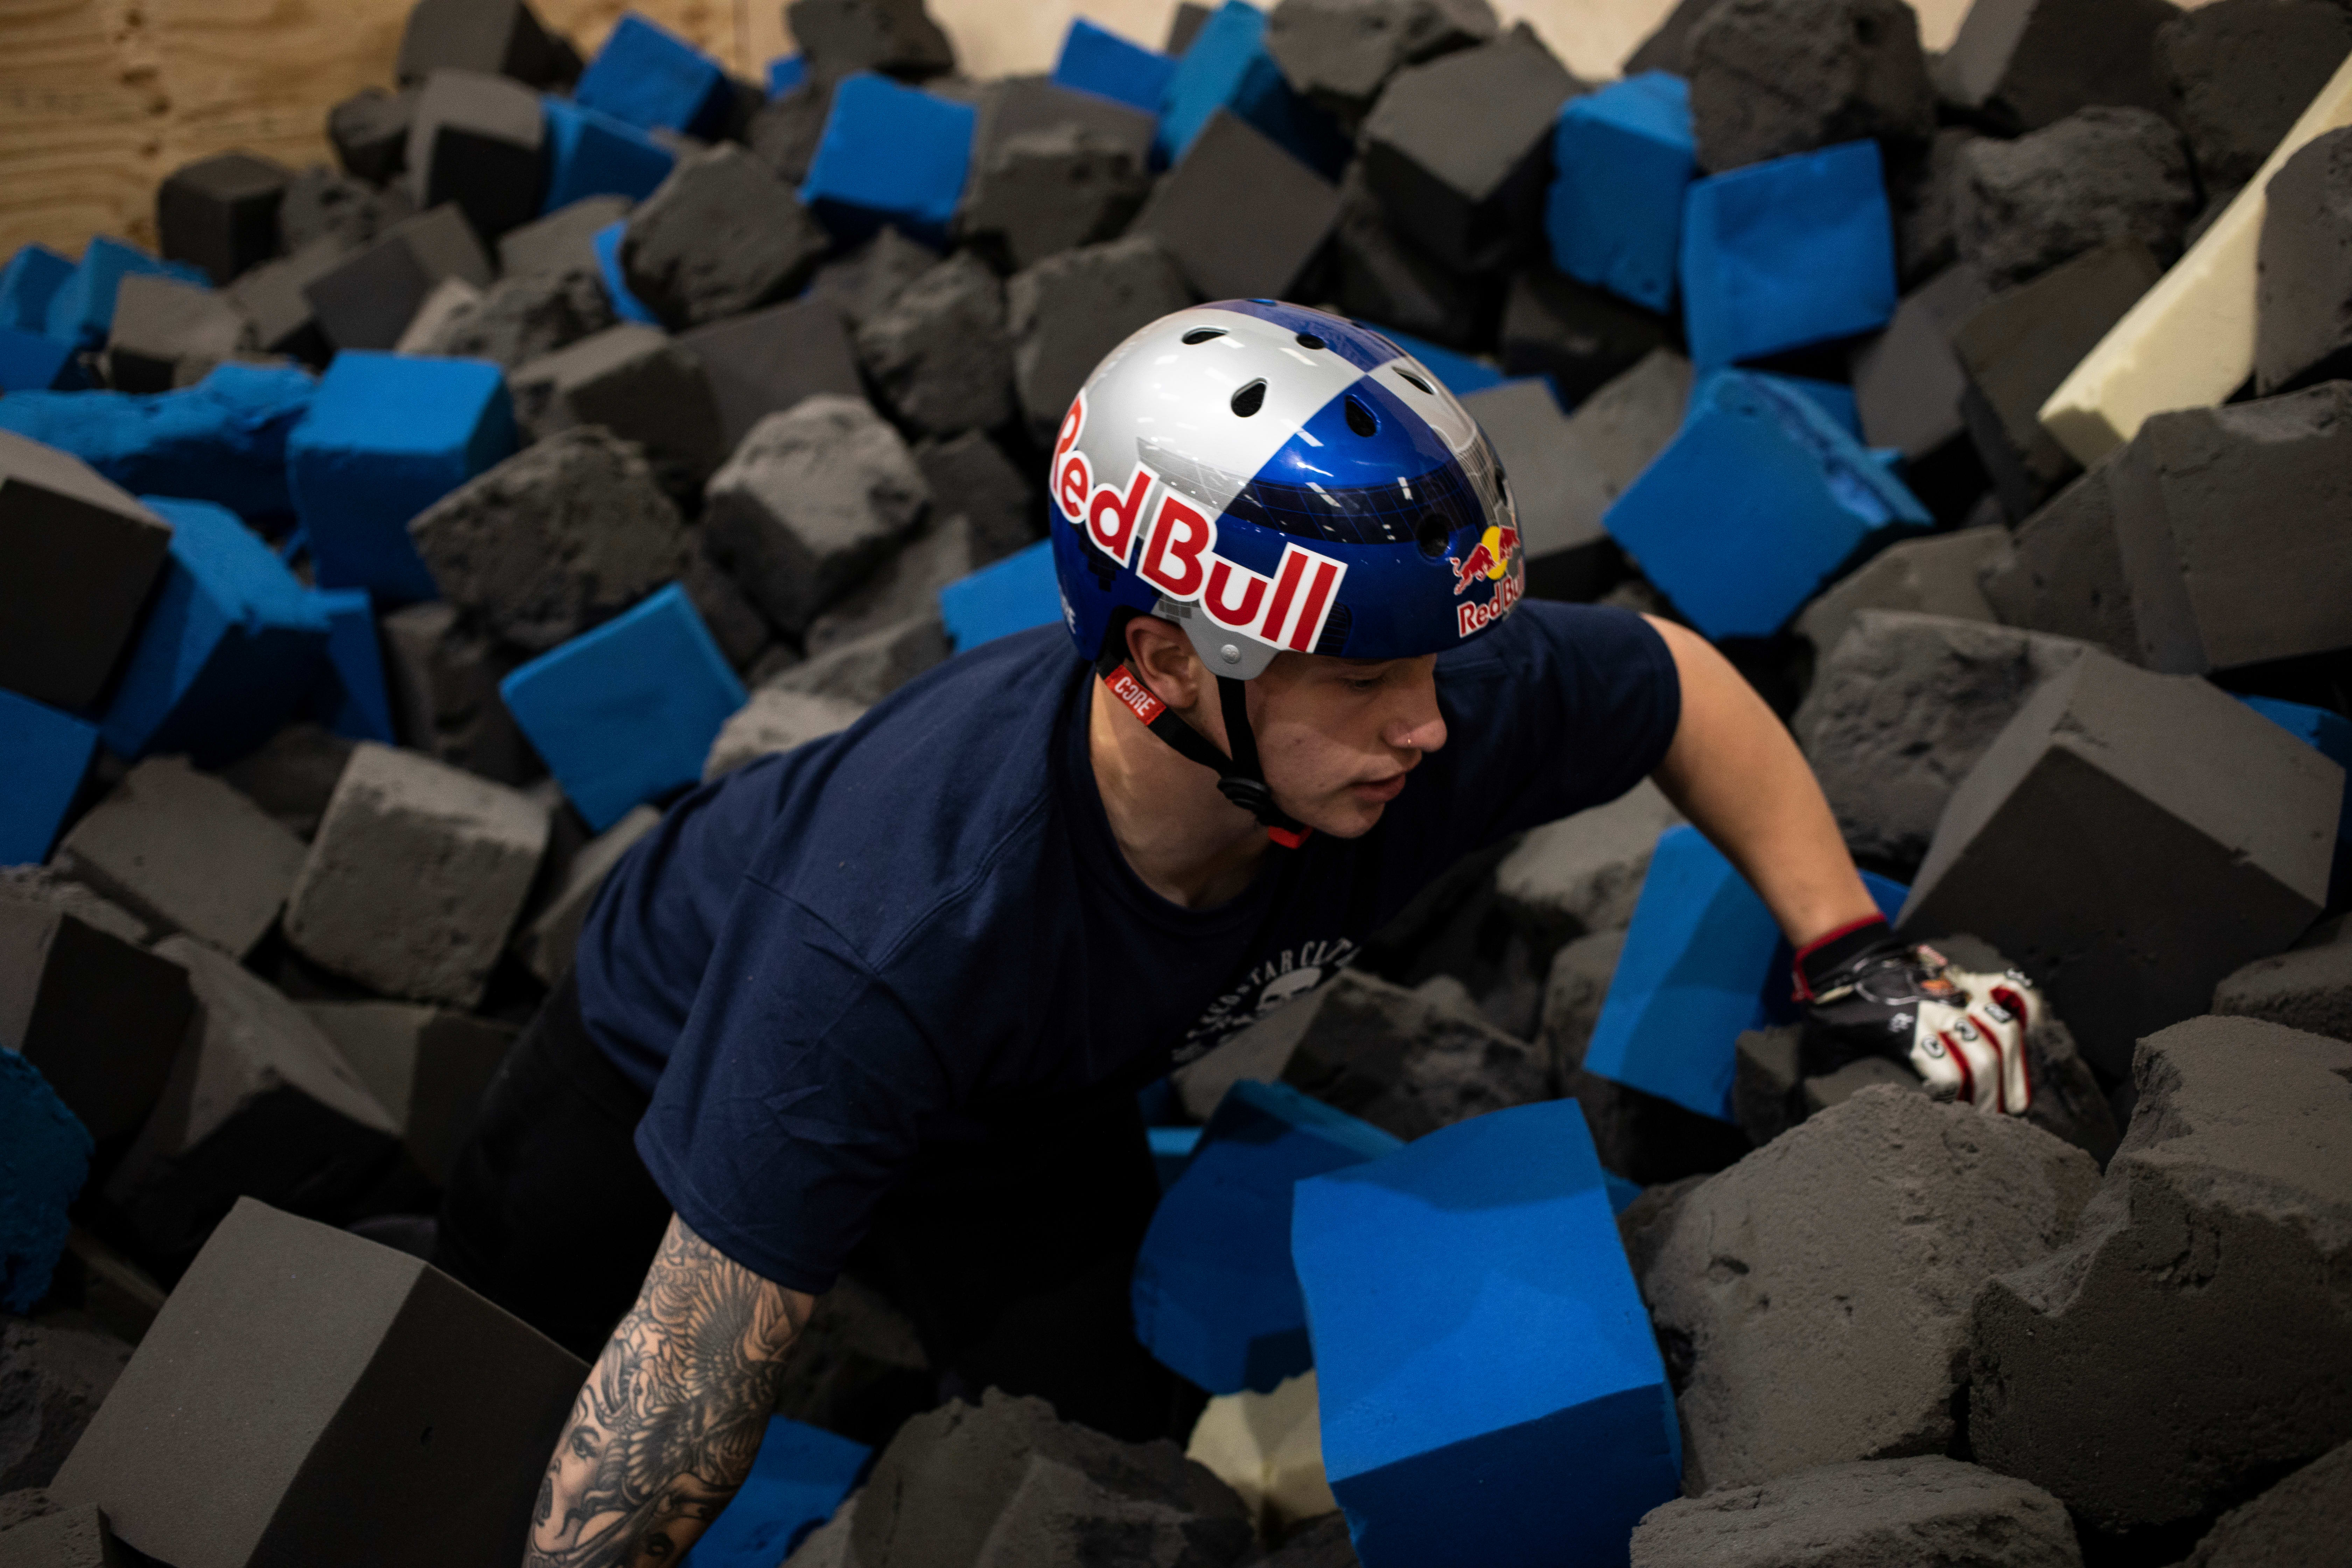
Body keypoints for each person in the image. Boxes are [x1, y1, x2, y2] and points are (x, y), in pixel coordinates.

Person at [434, 301, 2038, 1567]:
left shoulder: (1411, 703)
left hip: (1026, 1106)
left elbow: (1678, 683)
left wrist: (1846, 943)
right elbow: (681, 1382)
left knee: (1091, 1466)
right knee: (479, 1388)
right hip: (667, 1050)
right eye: (1364, 684)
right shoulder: (890, 934)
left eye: (1427, 669)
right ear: (1162, 664)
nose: (1427, 727)